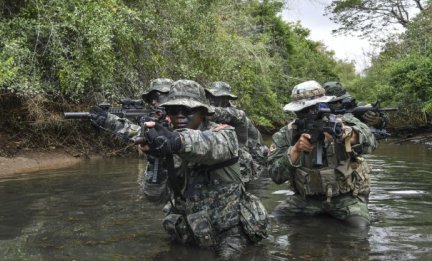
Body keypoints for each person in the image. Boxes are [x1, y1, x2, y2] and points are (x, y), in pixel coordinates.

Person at [136, 80, 268, 259]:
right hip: (189, 234)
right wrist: (155, 158)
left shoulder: (225, 134)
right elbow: (154, 196)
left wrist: (176, 142)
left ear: (203, 113)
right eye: (174, 110)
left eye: (188, 110)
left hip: (228, 236)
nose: (180, 116)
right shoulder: (165, 141)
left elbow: (206, 145)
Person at [267, 80, 377, 228]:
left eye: (312, 108)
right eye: (303, 111)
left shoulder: (342, 121)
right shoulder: (288, 133)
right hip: (306, 199)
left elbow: (371, 142)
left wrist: (350, 136)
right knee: (274, 220)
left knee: (360, 228)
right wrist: (295, 150)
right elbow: (276, 175)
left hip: (345, 198)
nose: (309, 114)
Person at [205, 81, 269, 183]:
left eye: (215, 96)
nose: (211, 99)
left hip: (257, 165)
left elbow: (211, 113)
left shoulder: (237, 115)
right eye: (209, 96)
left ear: (226, 99)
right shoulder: (218, 115)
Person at [323, 81, 389, 131]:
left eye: (341, 100)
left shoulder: (355, 107)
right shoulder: (321, 112)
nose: (339, 104)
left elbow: (385, 119)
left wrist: (378, 121)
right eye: (335, 102)